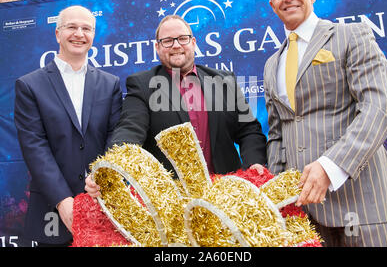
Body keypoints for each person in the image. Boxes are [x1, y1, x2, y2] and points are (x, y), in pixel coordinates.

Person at [263, 0, 387, 246]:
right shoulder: (271, 64)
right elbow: (278, 134)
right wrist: (279, 193)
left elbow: (377, 110)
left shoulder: (351, 35)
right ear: (272, 4)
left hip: (361, 200)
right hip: (305, 211)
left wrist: (331, 167)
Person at [86, 14, 267, 196]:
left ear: (193, 42)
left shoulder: (224, 81)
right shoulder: (142, 85)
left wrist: (254, 164)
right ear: (157, 47)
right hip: (171, 202)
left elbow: (248, 130)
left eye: (182, 38)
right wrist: (110, 168)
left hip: (227, 196)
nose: (176, 45)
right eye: (167, 41)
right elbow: (129, 130)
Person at [14, 5, 123, 246]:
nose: (79, 34)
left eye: (86, 28)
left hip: (103, 203)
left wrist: (102, 180)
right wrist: (63, 200)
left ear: (93, 35)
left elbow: (115, 136)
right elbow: (34, 146)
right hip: (52, 208)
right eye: (71, 27)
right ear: (57, 34)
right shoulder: (29, 85)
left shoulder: (110, 84)